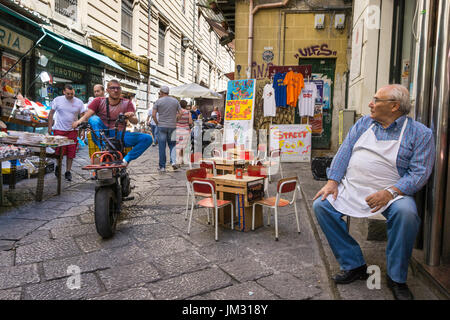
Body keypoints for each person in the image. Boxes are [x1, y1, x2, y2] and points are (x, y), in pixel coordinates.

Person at [312, 84, 435, 300]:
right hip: (353, 187)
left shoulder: (420, 134)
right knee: (321, 205)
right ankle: (354, 264)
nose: (371, 103)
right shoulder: (364, 123)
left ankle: (397, 278)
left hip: (392, 193)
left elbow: (419, 173)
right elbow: (344, 153)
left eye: (376, 100)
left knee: (407, 214)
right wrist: (332, 182)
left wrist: (389, 192)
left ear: (394, 106)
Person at [72, 80, 152, 166]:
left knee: (147, 138)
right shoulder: (98, 101)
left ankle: (125, 160)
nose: (115, 90)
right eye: (112, 88)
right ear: (107, 90)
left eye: (118, 88)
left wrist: (130, 116)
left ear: (120, 90)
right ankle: (104, 149)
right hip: (101, 135)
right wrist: (79, 122)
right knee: (94, 119)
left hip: (119, 135)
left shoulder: (127, 102)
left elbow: (135, 121)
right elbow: (87, 115)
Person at [48, 84, 84, 181]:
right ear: (64, 92)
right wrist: (50, 126)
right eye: (68, 94)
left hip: (72, 131)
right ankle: (58, 166)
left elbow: (83, 116)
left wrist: (83, 130)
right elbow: (51, 113)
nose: (70, 96)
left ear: (74, 92)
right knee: (59, 151)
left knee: (71, 153)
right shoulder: (57, 100)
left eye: (72, 94)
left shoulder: (79, 102)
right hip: (59, 130)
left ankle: (68, 171)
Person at [152, 86, 182, 172]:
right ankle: (173, 162)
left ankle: (162, 167)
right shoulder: (175, 101)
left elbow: (153, 115)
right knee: (172, 145)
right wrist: (176, 120)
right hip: (172, 126)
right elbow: (181, 113)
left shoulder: (158, 101)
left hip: (162, 126)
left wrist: (157, 123)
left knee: (162, 147)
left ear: (161, 92)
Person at [176, 100, 193, 166]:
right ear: (186, 105)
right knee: (183, 146)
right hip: (185, 130)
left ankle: (178, 160)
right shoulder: (188, 112)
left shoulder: (177, 112)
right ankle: (182, 159)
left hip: (177, 129)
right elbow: (190, 122)